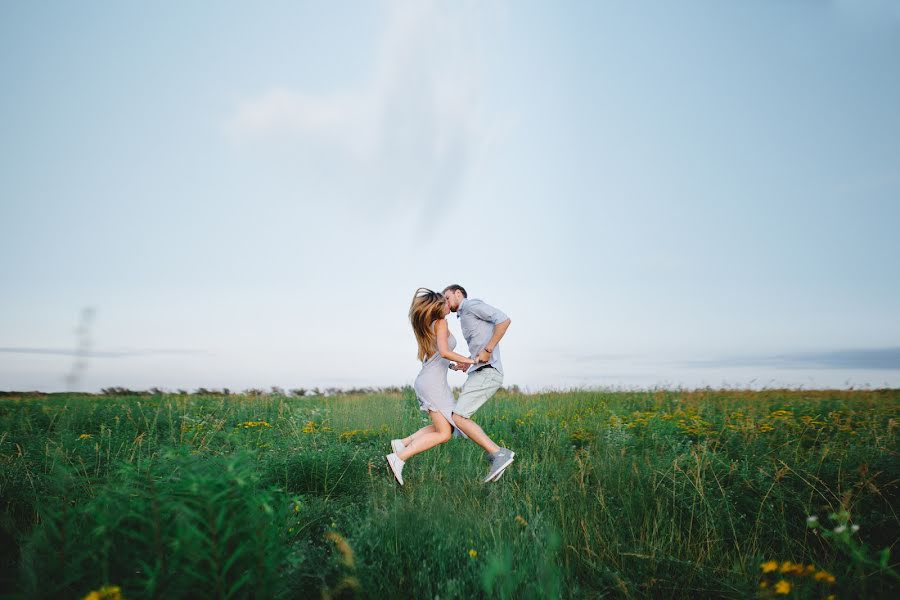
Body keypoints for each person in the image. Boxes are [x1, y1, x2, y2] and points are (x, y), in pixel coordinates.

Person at [386, 288, 476, 486]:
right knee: (444, 433)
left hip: (430, 381)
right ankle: (398, 457)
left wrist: (456, 364)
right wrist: (471, 361)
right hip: (432, 384)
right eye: (444, 301)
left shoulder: (429, 325)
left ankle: (402, 444)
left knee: (445, 428)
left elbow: (438, 357)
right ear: (437, 306)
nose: (448, 304)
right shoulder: (440, 323)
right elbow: (444, 352)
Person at [443, 284, 515, 482]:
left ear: (458, 293)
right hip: (479, 371)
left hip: (488, 372)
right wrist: (465, 363)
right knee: (457, 420)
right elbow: (478, 350)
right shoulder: (465, 315)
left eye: (447, 298)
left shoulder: (471, 306)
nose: (446, 304)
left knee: (458, 418)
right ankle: (494, 456)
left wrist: (488, 350)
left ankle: (499, 454)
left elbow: (504, 319)